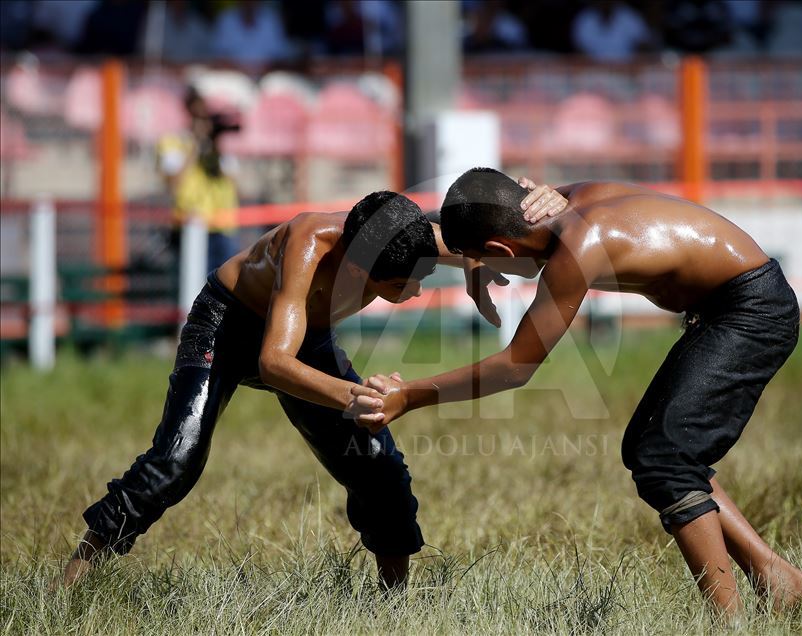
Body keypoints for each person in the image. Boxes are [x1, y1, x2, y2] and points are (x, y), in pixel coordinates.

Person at [364, 169, 802, 616]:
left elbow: (517, 366)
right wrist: (474, 258)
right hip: (727, 304)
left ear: (501, 249)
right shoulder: (563, 203)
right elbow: (497, 211)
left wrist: (410, 395)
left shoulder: (580, 247)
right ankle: (776, 579)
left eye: (485, 259)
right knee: (651, 450)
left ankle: (729, 622)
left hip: (752, 310)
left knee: (667, 461)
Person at [60, 186, 555, 591]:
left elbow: (470, 246)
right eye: (404, 285)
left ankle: (395, 602)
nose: (418, 290)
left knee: (377, 462)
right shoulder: (308, 243)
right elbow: (274, 363)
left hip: (308, 340)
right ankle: (71, 583)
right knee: (177, 460)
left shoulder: (406, 237)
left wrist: (475, 272)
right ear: (360, 269)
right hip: (227, 327)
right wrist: (356, 397)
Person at [157, 87, 241, 271]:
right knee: (193, 283)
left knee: (225, 284)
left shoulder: (216, 148)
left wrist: (214, 146)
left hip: (222, 228)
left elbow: (234, 185)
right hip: (190, 227)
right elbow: (173, 182)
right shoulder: (174, 142)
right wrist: (195, 144)